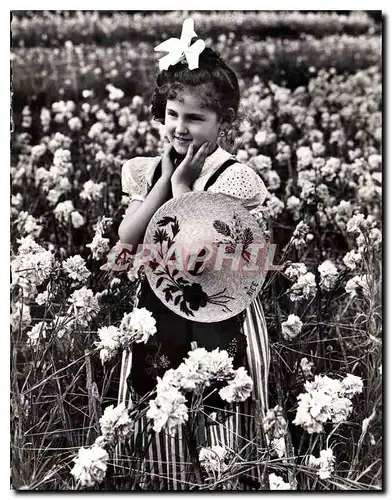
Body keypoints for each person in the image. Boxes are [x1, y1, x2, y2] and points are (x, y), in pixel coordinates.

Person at [117, 19, 270, 490]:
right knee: (161, 402)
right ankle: (169, 483)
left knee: (220, 402)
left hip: (220, 312)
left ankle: (226, 481)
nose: (180, 129)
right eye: (172, 115)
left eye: (195, 118)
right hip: (160, 307)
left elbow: (201, 257)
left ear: (224, 122)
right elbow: (129, 234)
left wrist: (183, 190)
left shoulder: (233, 177)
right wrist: (164, 181)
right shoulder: (149, 169)